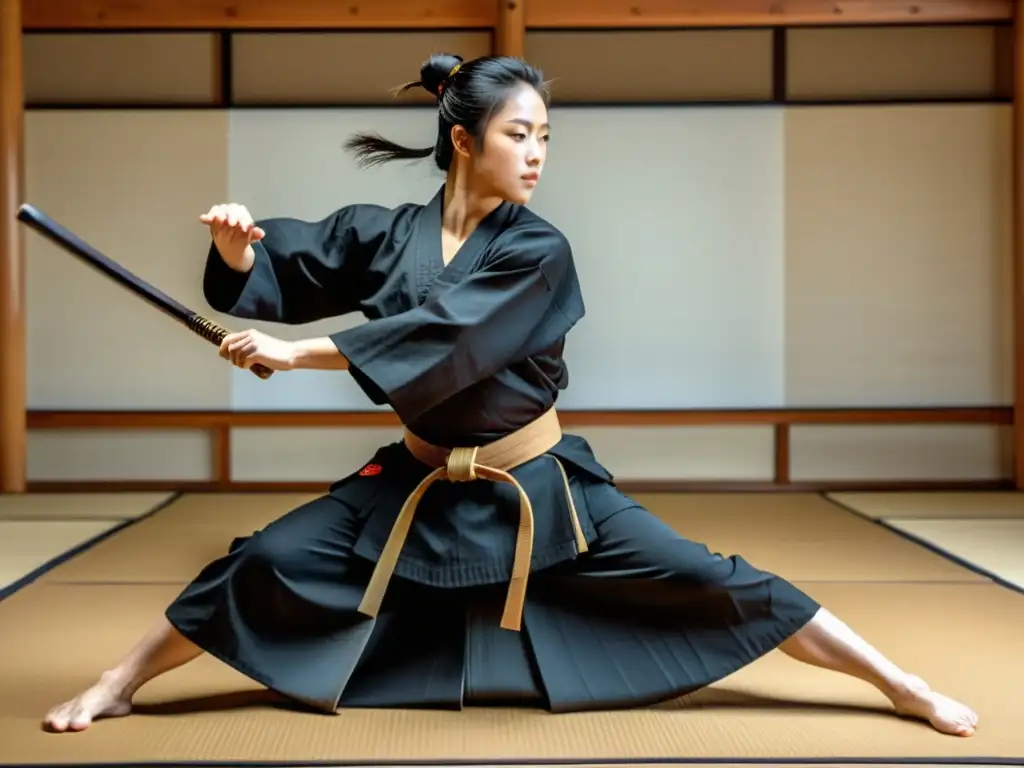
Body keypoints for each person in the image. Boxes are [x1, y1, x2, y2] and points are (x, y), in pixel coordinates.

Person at [43, 53, 977, 738]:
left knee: (712, 581)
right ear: (463, 140)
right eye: (518, 135)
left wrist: (297, 356)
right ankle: (120, 680)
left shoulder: (537, 251)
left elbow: (444, 339)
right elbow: (293, 261)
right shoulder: (387, 232)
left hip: (540, 484)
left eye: (543, 138)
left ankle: (899, 683)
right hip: (413, 481)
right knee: (263, 562)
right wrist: (241, 248)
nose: (536, 154)